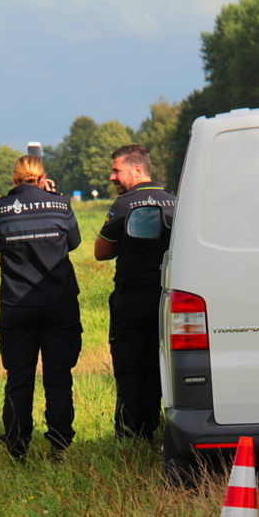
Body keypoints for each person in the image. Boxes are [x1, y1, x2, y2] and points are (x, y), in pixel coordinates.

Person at [0, 155, 82, 460]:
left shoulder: (0, 209)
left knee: (18, 380)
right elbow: (73, 242)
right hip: (59, 304)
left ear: (14, 179)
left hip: (16, 306)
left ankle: (17, 449)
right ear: (43, 179)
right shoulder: (61, 204)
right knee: (58, 379)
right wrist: (51, 197)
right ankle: (59, 447)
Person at [93, 144, 176, 442]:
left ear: (137, 169)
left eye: (116, 170)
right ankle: (165, 429)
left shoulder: (123, 206)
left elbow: (101, 252)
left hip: (132, 301)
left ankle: (131, 436)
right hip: (170, 299)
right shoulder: (175, 202)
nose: (112, 177)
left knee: (130, 367)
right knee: (163, 366)